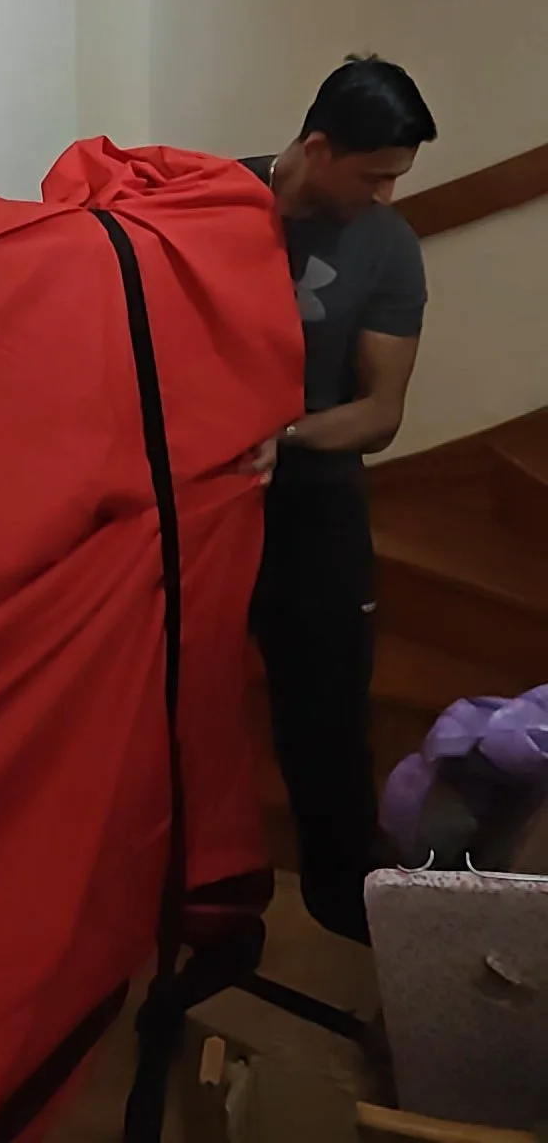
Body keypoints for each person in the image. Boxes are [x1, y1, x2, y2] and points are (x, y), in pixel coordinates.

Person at [241, 55, 438, 943]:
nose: (386, 193)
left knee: (327, 722)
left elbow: (380, 413)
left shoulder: (388, 246)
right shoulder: (212, 208)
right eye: (374, 174)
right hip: (194, 508)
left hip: (313, 504)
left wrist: (281, 438)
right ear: (317, 148)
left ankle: (346, 911)